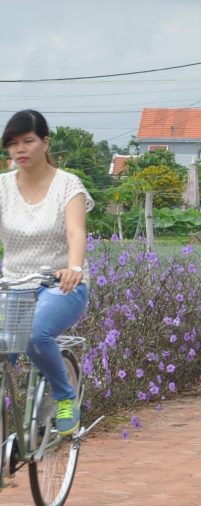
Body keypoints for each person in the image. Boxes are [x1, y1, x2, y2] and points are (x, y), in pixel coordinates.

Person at [0, 110, 94, 436]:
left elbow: (75, 233)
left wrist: (75, 268)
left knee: (35, 332)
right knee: (4, 354)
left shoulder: (68, 185)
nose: (19, 149)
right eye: (12, 144)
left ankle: (66, 397)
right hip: (14, 286)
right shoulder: (2, 188)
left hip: (60, 286)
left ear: (44, 142)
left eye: (28, 141)